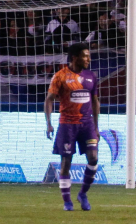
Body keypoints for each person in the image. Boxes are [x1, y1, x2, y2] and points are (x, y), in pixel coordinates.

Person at [44, 43, 100, 211]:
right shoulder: (60, 76)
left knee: (93, 158)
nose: (88, 59)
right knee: (66, 163)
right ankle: (67, 201)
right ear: (75, 57)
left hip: (87, 123)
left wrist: (96, 127)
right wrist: (49, 123)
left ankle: (83, 193)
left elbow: (95, 101)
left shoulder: (91, 76)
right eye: (85, 56)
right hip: (67, 124)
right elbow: (49, 99)